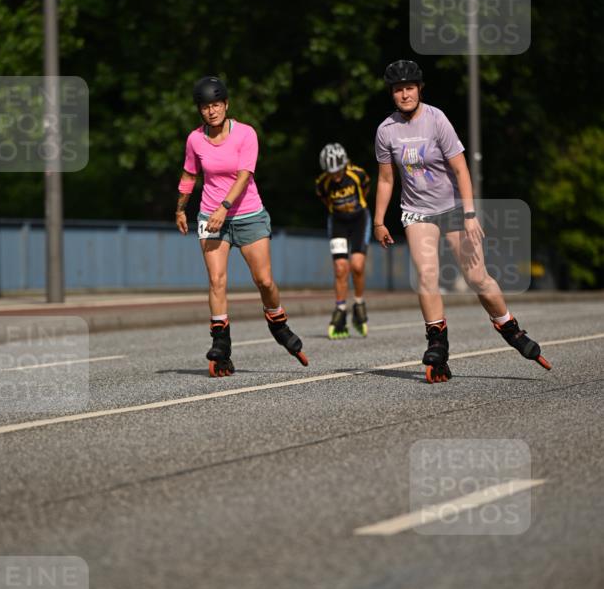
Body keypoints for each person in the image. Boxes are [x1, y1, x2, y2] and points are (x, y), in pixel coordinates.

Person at [373, 59, 551, 383]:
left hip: (453, 206)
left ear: (419, 89)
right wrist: (379, 220)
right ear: (392, 93)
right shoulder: (386, 130)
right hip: (416, 210)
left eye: (409, 88)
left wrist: (470, 214)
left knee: (477, 277)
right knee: (426, 274)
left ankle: (508, 326)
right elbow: (386, 179)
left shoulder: (436, 119)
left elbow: (461, 169)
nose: (404, 94)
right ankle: (437, 343)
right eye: (398, 90)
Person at [175, 75, 308, 376]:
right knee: (217, 280)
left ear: (226, 105)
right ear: (200, 110)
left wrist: (224, 207)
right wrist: (181, 209)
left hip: (248, 214)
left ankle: (277, 321)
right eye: (205, 107)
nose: (211, 111)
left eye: (217, 105)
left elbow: (244, 176)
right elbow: (188, 175)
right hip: (210, 217)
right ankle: (221, 344)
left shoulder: (246, 134)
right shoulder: (195, 139)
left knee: (264, 281)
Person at [315, 143, 371, 338]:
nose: (336, 176)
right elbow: (324, 200)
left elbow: (365, 191)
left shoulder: (358, 174)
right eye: (331, 172)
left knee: (357, 265)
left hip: (358, 220)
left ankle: (359, 302)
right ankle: (340, 308)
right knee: (340, 268)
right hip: (337, 221)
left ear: (344, 164)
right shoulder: (322, 183)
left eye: (338, 171)